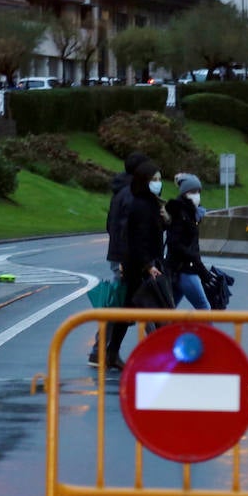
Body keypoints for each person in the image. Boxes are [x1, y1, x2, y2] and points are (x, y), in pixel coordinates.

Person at [103, 158, 166, 369]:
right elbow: (138, 238)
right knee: (156, 310)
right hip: (139, 267)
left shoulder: (150, 202)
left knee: (128, 311)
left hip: (139, 265)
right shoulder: (140, 204)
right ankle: (163, 353)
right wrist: (148, 265)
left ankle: (111, 352)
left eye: (159, 179)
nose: (158, 183)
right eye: (153, 179)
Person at [89, 151, 147, 368]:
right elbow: (125, 229)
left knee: (125, 304)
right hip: (127, 259)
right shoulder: (130, 194)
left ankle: (103, 351)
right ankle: (101, 350)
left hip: (124, 257)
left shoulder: (123, 192)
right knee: (136, 304)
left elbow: (111, 226)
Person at [165, 174, 211, 310]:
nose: (196, 195)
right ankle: (208, 333)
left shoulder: (190, 213)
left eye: (198, 192)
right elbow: (178, 244)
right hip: (185, 270)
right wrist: (200, 267)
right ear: (184, 193)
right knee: (204, 307)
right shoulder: (181, 214)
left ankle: (159, 331)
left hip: (177, 270)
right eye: (192, 192)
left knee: (168, 311)